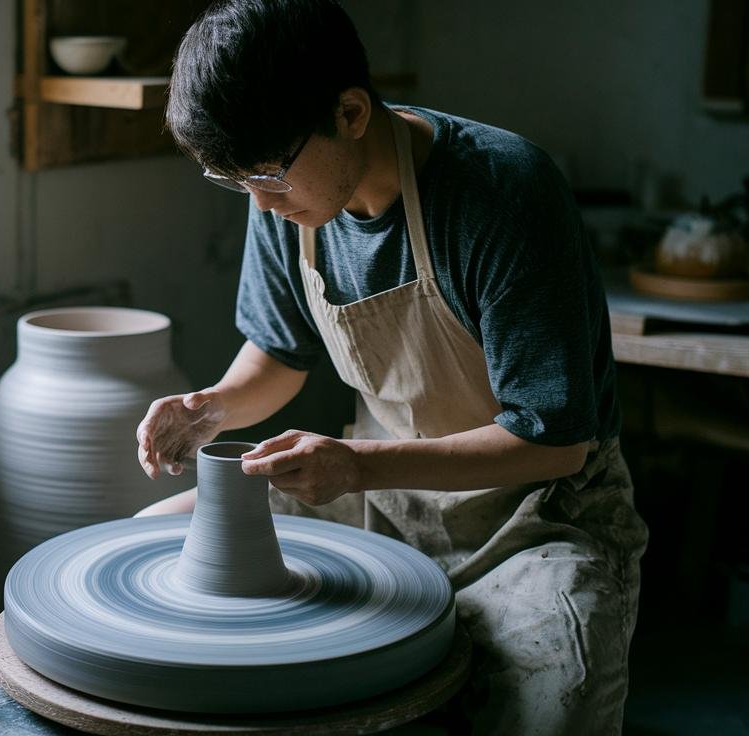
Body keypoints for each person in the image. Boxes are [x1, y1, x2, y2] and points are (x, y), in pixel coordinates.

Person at [133, 1, 648, 733]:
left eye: (270, 175)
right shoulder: (281, 192)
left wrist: (358, 465)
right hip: (385, 502)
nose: (261, 203)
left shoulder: (503, 193)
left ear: (349, 112)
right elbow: (280, 357)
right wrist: (209, 407)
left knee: (552, 707)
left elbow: (554, 442)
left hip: (538, 521)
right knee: (152, 535)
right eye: (236, 180)